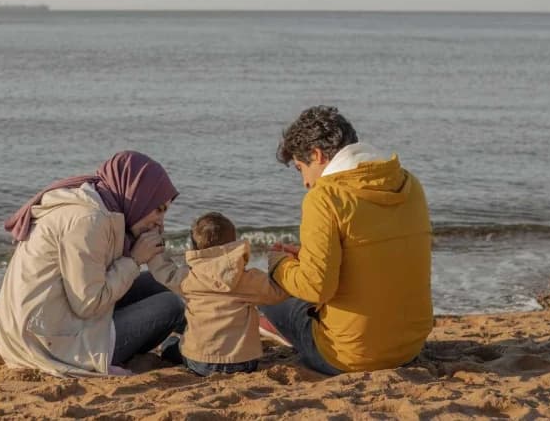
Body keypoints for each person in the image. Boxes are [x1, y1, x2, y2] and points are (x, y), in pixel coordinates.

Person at [262, 105, 433, 375]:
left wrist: (279, 264)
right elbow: (374, 256)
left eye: (300, 169)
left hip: (350, 355)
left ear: (317, 155)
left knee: (269, 289)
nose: (305, 182)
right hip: (409, 347)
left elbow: (316, 288)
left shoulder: (324, 197)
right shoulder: (410, 184)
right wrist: (305, 257)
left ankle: (280, 327)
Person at [0, 151, 185, 377]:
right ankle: (199, 347)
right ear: (139, 197)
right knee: (171, 305)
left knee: (157, 285)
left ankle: (205, 337)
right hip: (50, 343)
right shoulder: (88, 220)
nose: (161, 223)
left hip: (55, 321)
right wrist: (134, 260)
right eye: (158, 210)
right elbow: (88, 304)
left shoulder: (102, 208)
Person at [147, 212, 288, 376]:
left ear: (194, 247)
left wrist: (154, 241)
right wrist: (277, 260)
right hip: (243, 363)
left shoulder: (189, 277)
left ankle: (172, 347)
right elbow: (278, 292)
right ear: (234, 245)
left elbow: (164, 271)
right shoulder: (248, 279)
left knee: (171, 344)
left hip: (200, 363)